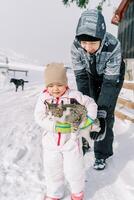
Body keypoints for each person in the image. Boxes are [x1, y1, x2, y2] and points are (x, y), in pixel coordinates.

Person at [71, 9, 125, 170]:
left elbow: (109, 84)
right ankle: (85, 141)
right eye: (84, 43)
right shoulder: (75, 46)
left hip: (112, 77)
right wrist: (87, 105)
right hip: (89, 75)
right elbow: (81, 77)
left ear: (101, 38)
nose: (88, 48)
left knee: (104, 114)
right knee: (85, 109)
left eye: (93, 43)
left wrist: (100, 113)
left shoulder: (114, 46)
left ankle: (101, 154)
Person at [34, 63, 97, 200]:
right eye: (50, 85)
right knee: (52, 170)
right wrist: (54, 127)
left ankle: (77, 193)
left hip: (71, 141)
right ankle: (54, 193)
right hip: (51, 143)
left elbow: (91, 103)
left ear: (66, 83)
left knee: (74, 170)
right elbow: (39, 117)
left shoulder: (74, 96)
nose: (55, 89)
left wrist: (89, 119)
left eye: (59, 84)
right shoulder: (43, 98)